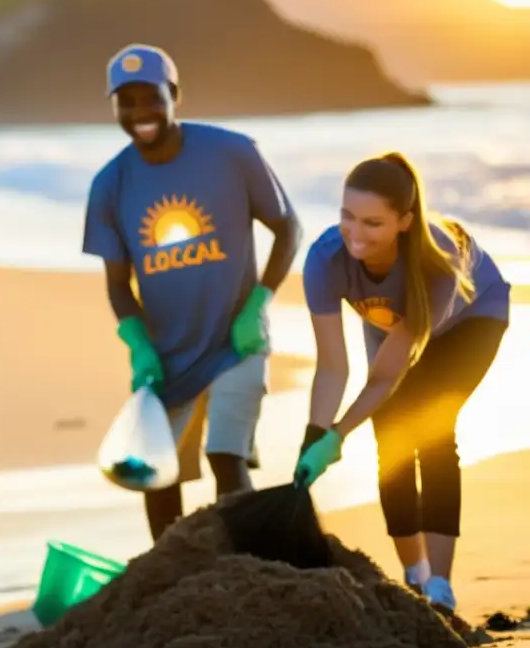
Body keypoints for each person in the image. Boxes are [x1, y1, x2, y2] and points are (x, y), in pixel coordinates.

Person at [82, 44, 302, 542]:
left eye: (151, 98)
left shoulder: (233, 153)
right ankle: (169, 573)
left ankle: (247, 567)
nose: (140, 113)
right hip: (167, 356)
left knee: (226, 454)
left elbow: (288, 228)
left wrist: (259, 303)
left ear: (174, 95)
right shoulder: (110, 185)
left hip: (235, 345)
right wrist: (138, 343)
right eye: (126, 102)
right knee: (156, 471)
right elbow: (118, 285)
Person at [296, 152, 510, 614]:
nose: (355, 233)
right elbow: (333, 365)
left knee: (430, 430)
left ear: (405, 222)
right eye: (347, 216)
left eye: (373, 223)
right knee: (390, 437)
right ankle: (415, 576)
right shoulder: (324, 259)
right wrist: (315, 436)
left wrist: (339, 434)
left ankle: (441, 588)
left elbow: (390, 374)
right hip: (391, 325)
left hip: (472, 320)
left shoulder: (438, 260)